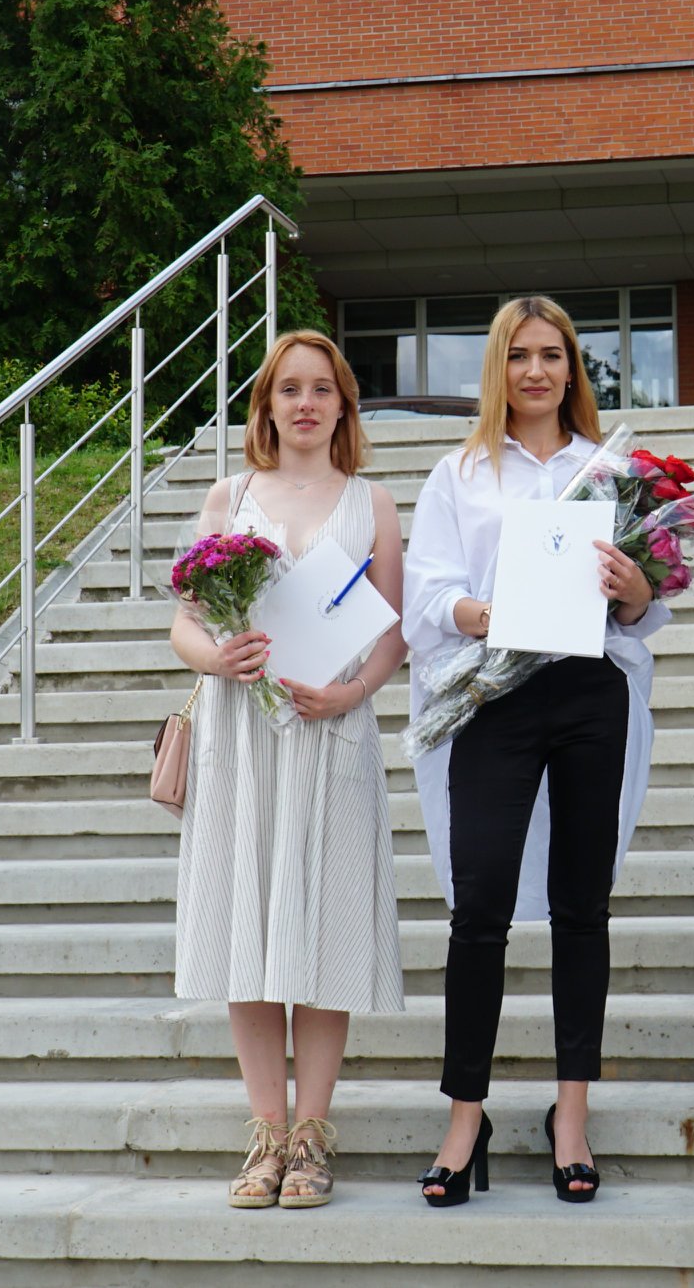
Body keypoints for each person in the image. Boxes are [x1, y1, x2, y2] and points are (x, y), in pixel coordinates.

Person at [402, 296, 668, 1205]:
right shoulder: (460, 474)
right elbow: (427, 595)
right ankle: (464, 1116)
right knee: (477, 907)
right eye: (519, 355)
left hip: (590, 692)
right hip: (495, 696)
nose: (536, 371)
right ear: (497, 368)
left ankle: (570, 1116)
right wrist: (488, 610)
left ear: (572, 368)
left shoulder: (614, 470)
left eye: (552, 354)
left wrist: (634, 589)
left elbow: (647, 606)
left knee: (580, 908)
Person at [169, 329, 408, 1209]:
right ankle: (265, 1136)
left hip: (329, 734)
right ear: (265, 406)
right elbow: (185, 620)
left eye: (321, 389)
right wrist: (214, 657)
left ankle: (311, 1136)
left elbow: (392, 634)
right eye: (288, 389)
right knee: (249, 927)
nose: (305, 403)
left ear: (344, 404)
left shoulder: (372, 503)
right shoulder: (228, 497)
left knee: (325, 926)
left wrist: (352, 694)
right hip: (243, 739)